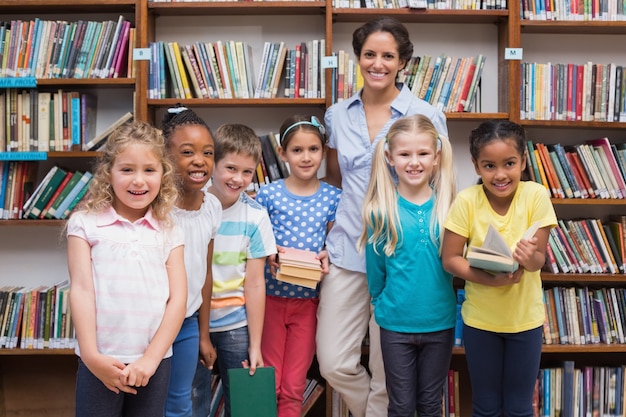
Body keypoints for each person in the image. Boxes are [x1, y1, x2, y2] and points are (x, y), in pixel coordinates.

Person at [317, 15, 448, 417]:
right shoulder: (337, 114)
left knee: (386, 373)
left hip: (403, 259)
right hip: (348, 253)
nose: (378, 63)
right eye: (369, 54)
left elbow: (438, 185)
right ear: (357, 57)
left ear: (402, 61)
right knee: (333, 362)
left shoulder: (426, 113)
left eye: (388, 55)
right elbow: (336, 180)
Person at [66, 121, 187, 417]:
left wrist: (150, 359)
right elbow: (81, 291)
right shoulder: (84, 223)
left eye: (149, 170)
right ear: (109, 173)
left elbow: (178, 300)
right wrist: (93, 358)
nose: (138, 181)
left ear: (163, 174)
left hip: (153, 362)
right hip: (100, 362)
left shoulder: (170, 230)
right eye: (127, 169)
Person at [441, 119, 557, 417]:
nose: (500, 174)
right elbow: (450, 258)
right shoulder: (467, 201)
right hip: (481, 323)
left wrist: (529, 255)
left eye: (509, 163)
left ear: (523, 162)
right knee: (486, 407)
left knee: (519, 407)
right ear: (476, 166)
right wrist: (487, 280)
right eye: (489, 166)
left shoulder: (536, 195)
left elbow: (538, 261)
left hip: (525, 322)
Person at [358, 114, 456, 417]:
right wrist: (383, 305)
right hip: (395, 326)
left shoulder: (450, 207)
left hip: (440, 324)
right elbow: (376, 274)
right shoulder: (380, 211)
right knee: (400, 406)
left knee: (429, 405)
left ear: (436, 157)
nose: (414, 162)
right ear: (390, 158)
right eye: (404, 154)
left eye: (423, 153)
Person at [256, 115, 341, 417]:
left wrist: (327, 254)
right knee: (269, 380)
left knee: (293, 386)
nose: (306, 157)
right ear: (282, 153)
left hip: (309, 303)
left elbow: (336, 244)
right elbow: (253, 244)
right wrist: (269, 251)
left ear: (323, 151)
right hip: (269, 301)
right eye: (297, 150)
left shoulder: (333, 198)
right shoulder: (267, 195)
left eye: (314, 149)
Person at [191, 123, 277, 417]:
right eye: (230, 168)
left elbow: (254, 284)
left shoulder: (255, 217)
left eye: (247, 172)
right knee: (192, 397)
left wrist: (255, 345)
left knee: (244, 402)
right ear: (213, 162)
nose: (238, 179)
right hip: (190, 320)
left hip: (234, 325)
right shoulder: (191, 204)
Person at [162, 106, 222, 417]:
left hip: (186, 324)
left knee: (180, 404)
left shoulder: (212, 206)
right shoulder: (157, 209)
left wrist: (203, 334)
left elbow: (205, 274)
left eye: (208, 153)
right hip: (153, 323)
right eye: (187, 152)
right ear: (166, 158)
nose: (199, 160)